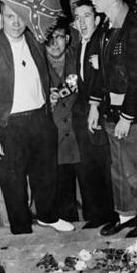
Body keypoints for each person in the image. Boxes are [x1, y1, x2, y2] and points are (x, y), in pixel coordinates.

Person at [0, 0, 75, 234]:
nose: (16, 22)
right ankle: (21, 230)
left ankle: (48, 216)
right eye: (9, 17)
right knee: (13, 184)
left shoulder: (36, 41)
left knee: (46, 175)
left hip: (40, 118)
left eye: (20, 16)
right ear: (1, 16)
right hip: (7, 124)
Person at [88, 0, 137, 238]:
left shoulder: (136, 30)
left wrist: (127, 117)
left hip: (134, 115)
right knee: (119, 168)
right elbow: (100, 70)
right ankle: (126, 216)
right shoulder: (107, 26)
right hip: (112, 111)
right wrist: (95, 105)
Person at [71, 0, 117, 230]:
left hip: (100, 111)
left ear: (97, 19)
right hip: (83, 113)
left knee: (103, 165)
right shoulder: (80, 42)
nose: (82, 22)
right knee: (89, 166)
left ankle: (111, 216)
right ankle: (97, 215)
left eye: (87, 16)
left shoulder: (103, 43)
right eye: (78, 18)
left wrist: (104, 64)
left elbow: (120, 72)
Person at [45, 18, 81, 221]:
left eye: (58, 37)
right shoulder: (38, 64)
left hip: (80, 133)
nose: (54, 43)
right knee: (62, 187)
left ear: (67, 38)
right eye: (49, 38)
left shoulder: (78, 58)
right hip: (56, 137)